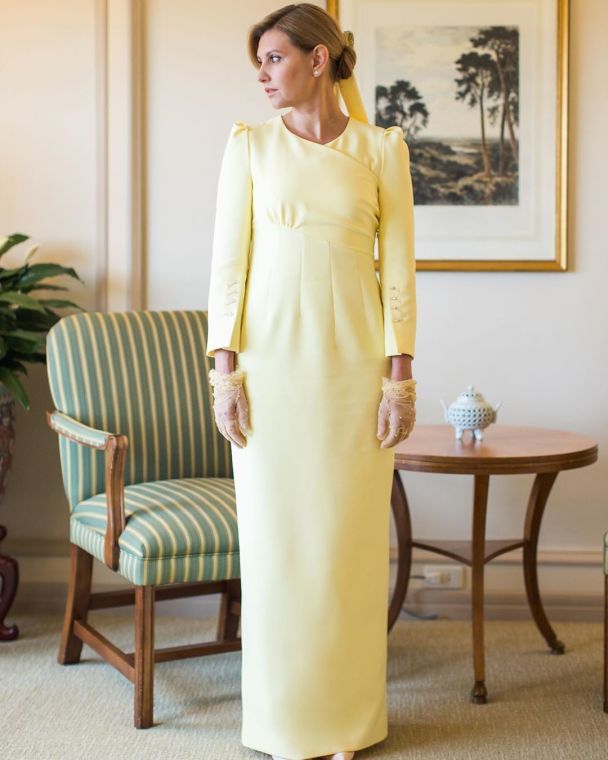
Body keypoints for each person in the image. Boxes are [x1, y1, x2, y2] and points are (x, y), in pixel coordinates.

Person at [205, 4, 417, 759]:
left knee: (346, 545)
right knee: (278, 546)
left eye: (274, 58)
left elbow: (399, 273)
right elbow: (228, 267)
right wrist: (224, 372)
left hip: (354, 370)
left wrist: (399, 378)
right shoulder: (250, 146)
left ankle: (347, 724)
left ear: (318, 58)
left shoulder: (382, 150)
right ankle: (283, 723)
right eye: (259, 63)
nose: (263, 76)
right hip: (271, 371)